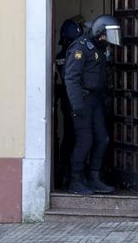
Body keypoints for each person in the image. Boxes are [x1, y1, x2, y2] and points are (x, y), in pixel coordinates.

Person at [64, 14, 122, 195]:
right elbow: (71, 78)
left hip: (95, 101)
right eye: (106, 35)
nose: (108, 40)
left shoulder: (97, 47)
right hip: (82, 101)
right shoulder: (80, 48)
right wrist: (77, 105)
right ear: (99, 32)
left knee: (103, 139)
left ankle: (94, 178)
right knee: (85, 141)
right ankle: (76, 180)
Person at [54, 17, 84, 189]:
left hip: (66, 101)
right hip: (74, 101)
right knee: (76, 137)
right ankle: (72, 174)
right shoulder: (73, 54)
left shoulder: (60, 56)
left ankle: (66, 172)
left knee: (70, 137)